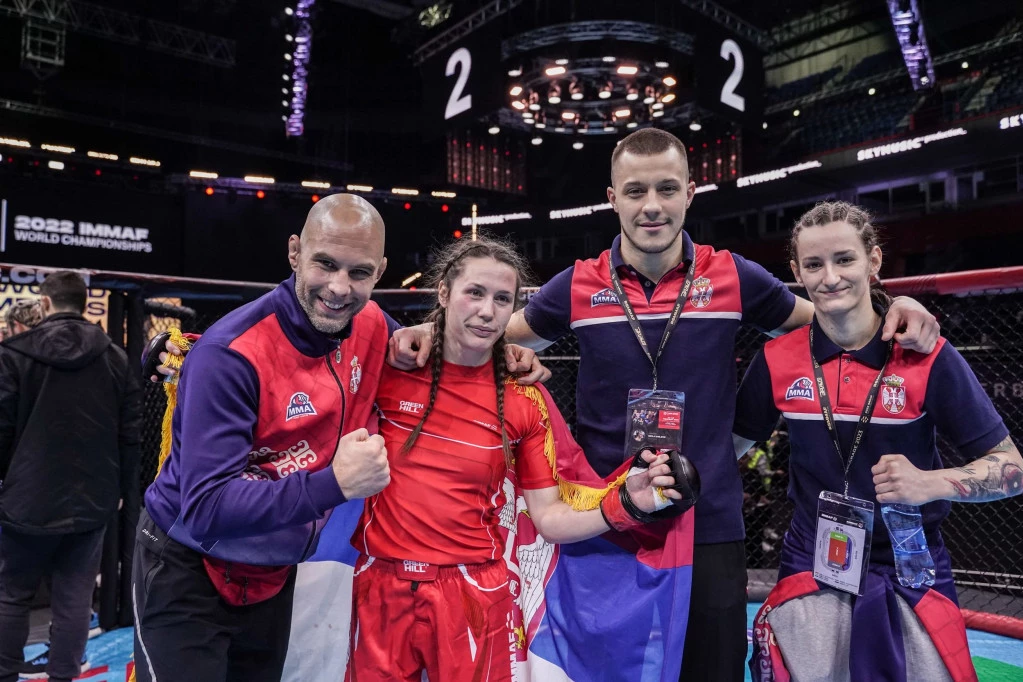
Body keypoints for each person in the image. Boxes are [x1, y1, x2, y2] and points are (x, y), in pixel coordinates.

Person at [392, 128, 940, 680]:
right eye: (635, 191)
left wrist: (895, 305)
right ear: (613, 199)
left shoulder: (733, 275)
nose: (651, 205)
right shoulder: (578, 284)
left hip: (708, 520)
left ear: (689, 194)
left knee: (712, 670)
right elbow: (484, 335)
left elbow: (827, 323)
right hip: (604, 519)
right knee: (605, 672)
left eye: (667, 188)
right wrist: (428, 331)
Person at [132, 194, 546, 682]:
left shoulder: (370, 326)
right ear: (294, 252)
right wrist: (335, 484)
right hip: (187, 567)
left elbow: (438, 348)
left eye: (359, 272)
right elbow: (204, 509)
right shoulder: (230, 356)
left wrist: (506, 357)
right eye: (325, 264)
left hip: (272, 572)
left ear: (380, 272)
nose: (339, 287)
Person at [346, 235, 688, 681]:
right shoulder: (389, 369)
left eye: (502, 299)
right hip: (380, 587)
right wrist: (416, 333)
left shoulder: (524, 399)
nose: (488, 311)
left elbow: (550, 519)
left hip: (472, 594)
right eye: (474, 292)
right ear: (444, 292)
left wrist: (627, 503)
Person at [735, 201, 1023, 681]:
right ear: (796, 273)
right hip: (812, 561)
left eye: (844, 259)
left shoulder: (927, 355)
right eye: (814, 264)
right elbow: (728, 448)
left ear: (874, 260)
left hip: (910, 564)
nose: (830, 277)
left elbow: (1012, 467)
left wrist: (933, 483)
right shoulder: (776, 359)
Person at [0, 271, 142, 682]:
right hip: (92, 500)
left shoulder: (14, 354)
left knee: (12, 594)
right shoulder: (115, 357)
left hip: (26, 499)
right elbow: (130, 434)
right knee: (75, 598)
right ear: (83, 304)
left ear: (45, 304)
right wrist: (121, 490)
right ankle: (63, 676)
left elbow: (2, 429)